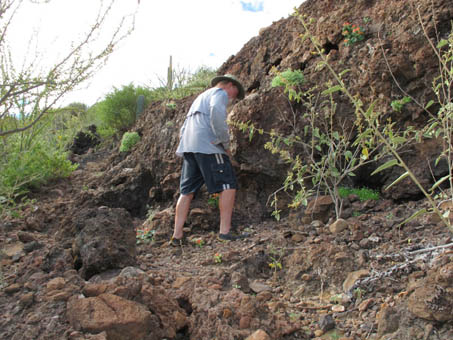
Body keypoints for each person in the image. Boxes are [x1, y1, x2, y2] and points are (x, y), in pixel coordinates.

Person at [169, 74, 247, 246]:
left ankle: (177, 236)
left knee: (186, 191)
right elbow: (217, 115)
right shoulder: (219, 93)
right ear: (229, 85)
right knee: (228, 184)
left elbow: (184, 126)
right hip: (208, 146)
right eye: (235, 93)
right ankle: (225, 232)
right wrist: (224, 143)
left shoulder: (200, 97)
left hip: (189, 147)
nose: (232, 98)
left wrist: (185, 144)